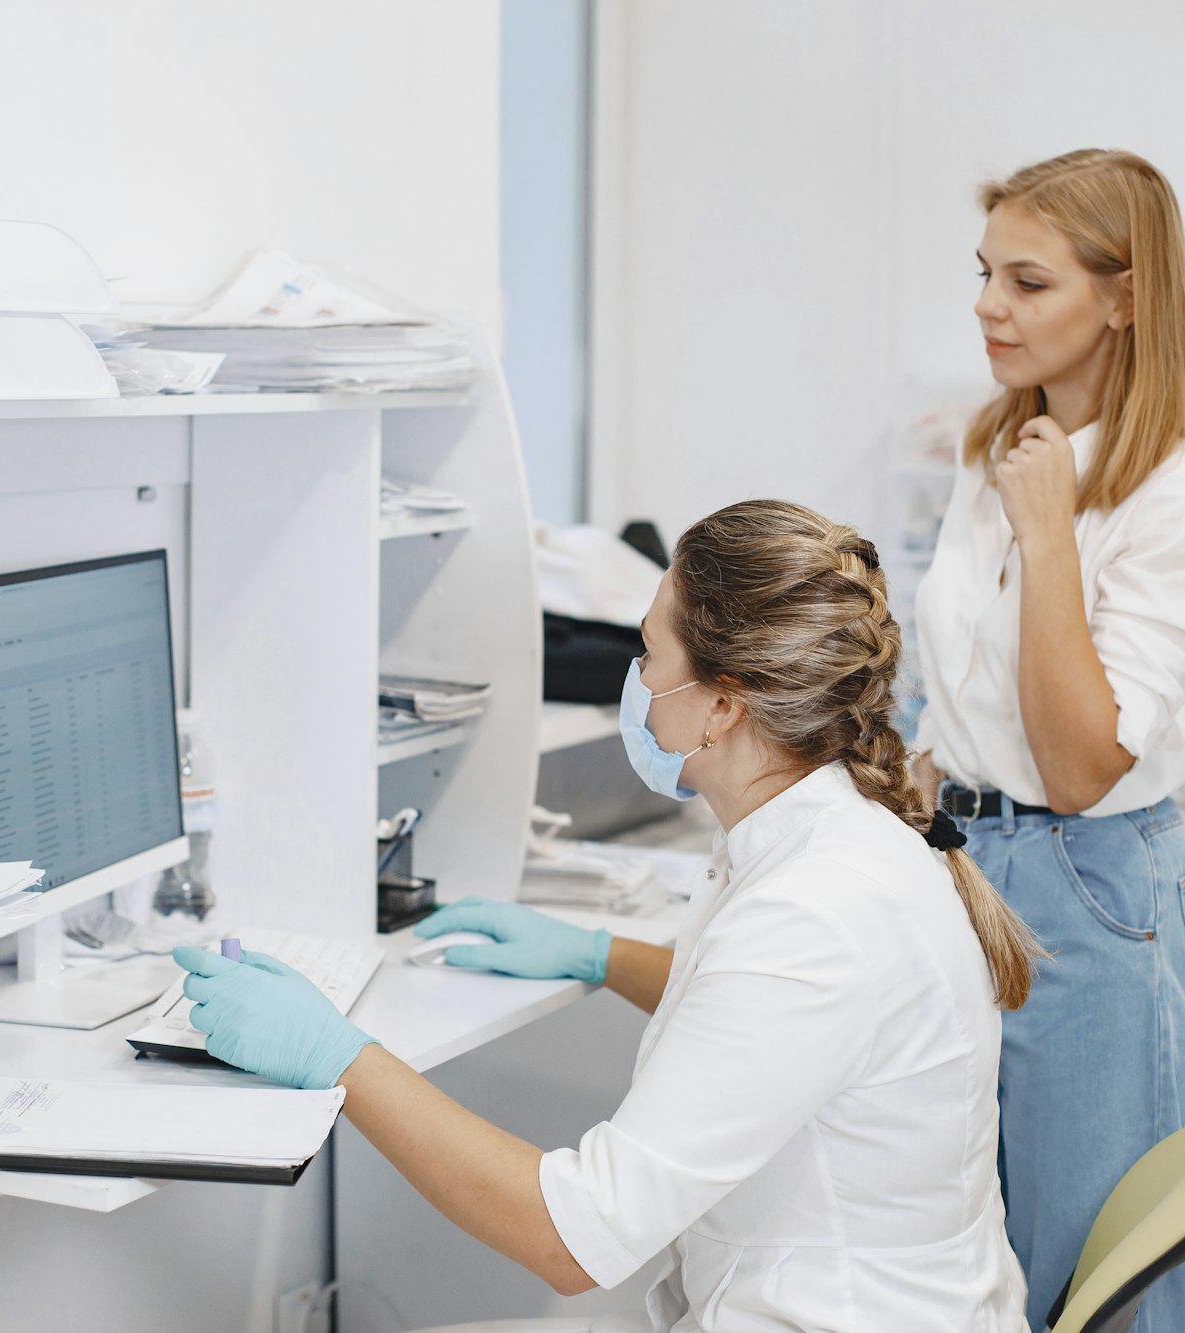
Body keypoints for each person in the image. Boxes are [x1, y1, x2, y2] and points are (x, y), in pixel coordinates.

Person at [174, 499, 1036, 1331]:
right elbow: (758, 1026)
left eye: (649, 651)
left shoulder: (814, 913)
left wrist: (337, 1056)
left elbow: (572, 1235)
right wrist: (596, 953)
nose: (637, 678)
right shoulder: (831, 839)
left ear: (725, 703)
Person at [912, 148, 1185, 1332]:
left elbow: (1074, 761)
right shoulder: (994, 448)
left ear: (1126, 295)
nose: (987, 306)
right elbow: (961, 701)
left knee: (1091, 1282)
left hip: (1088, 889)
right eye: (985, 274)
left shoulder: (1175, 496)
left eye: (1028, 282)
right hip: (965, 870)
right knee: (977, 1259)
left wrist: (1050, 536)